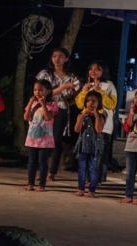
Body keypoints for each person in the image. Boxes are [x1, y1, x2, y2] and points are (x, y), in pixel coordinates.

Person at [36, 47, 80, 181]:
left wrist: (69, 101)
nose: (57, 59)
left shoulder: (72, 77)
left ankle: (52, 171)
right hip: (44, 108)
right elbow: (42, 92)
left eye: (61, 56)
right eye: (54, 56)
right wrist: (62, 88)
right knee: (42, 139)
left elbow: (77, 95)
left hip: (61, 109)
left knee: (55, 140)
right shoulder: (45, 74)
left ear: (66, 59)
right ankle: (41, 170)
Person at [75, 61, 117, 183]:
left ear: (103, 71)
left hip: (103, 126)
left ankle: (99, 179)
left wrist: (101, 92)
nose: (93, 71)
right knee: (87, 152)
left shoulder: (109, 85)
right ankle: (88, 179)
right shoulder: (88, 85)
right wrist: (84, 91)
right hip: (87, 125)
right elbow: (79, 104)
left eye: (97, 69)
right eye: (91, 69)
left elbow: (112, 104)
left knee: (100, 154)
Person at [23, 79, 59, 192]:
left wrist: (43, 104)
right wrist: (29, 103)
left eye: (40, 90)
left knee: (43, 162)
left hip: (45, 140)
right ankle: (30, 184)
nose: (37, 92)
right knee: (31, 162)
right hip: (32, 138)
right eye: (35, 90)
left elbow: (48, 117)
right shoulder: (33, 103)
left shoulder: (52, 104)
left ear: (48, 91)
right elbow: (26, 117)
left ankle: (42, 185)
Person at [73, 90, 105, 197]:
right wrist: (82, 116)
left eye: (94, 101)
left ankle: (92, 190)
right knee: (82, 168)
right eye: (88, 101)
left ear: (98, 103)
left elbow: (98, 129)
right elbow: (77, 130)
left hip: (95, 147)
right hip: (82, 146)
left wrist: (96, 116)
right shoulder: (81, 115)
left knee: (93, 169)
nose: (90, 103)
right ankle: (81, 188)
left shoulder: (101, 116)